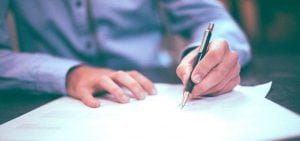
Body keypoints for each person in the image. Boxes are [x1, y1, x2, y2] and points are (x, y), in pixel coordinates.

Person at [0, 0, 251, 108]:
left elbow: (215, 20)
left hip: (151, 91)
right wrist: (69, 74)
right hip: (46, 98)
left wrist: (212, 54)